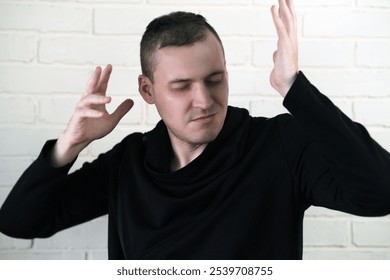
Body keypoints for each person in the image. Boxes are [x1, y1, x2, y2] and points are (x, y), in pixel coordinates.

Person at [0, 0, 389, 260]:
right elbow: (19, 223)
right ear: (148, 91)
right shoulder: (129, 162)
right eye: (182, 86)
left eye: (215, 79)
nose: (204, 100)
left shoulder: (278, 145)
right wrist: (69, 145)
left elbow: (380, 193)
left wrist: (294, 88)